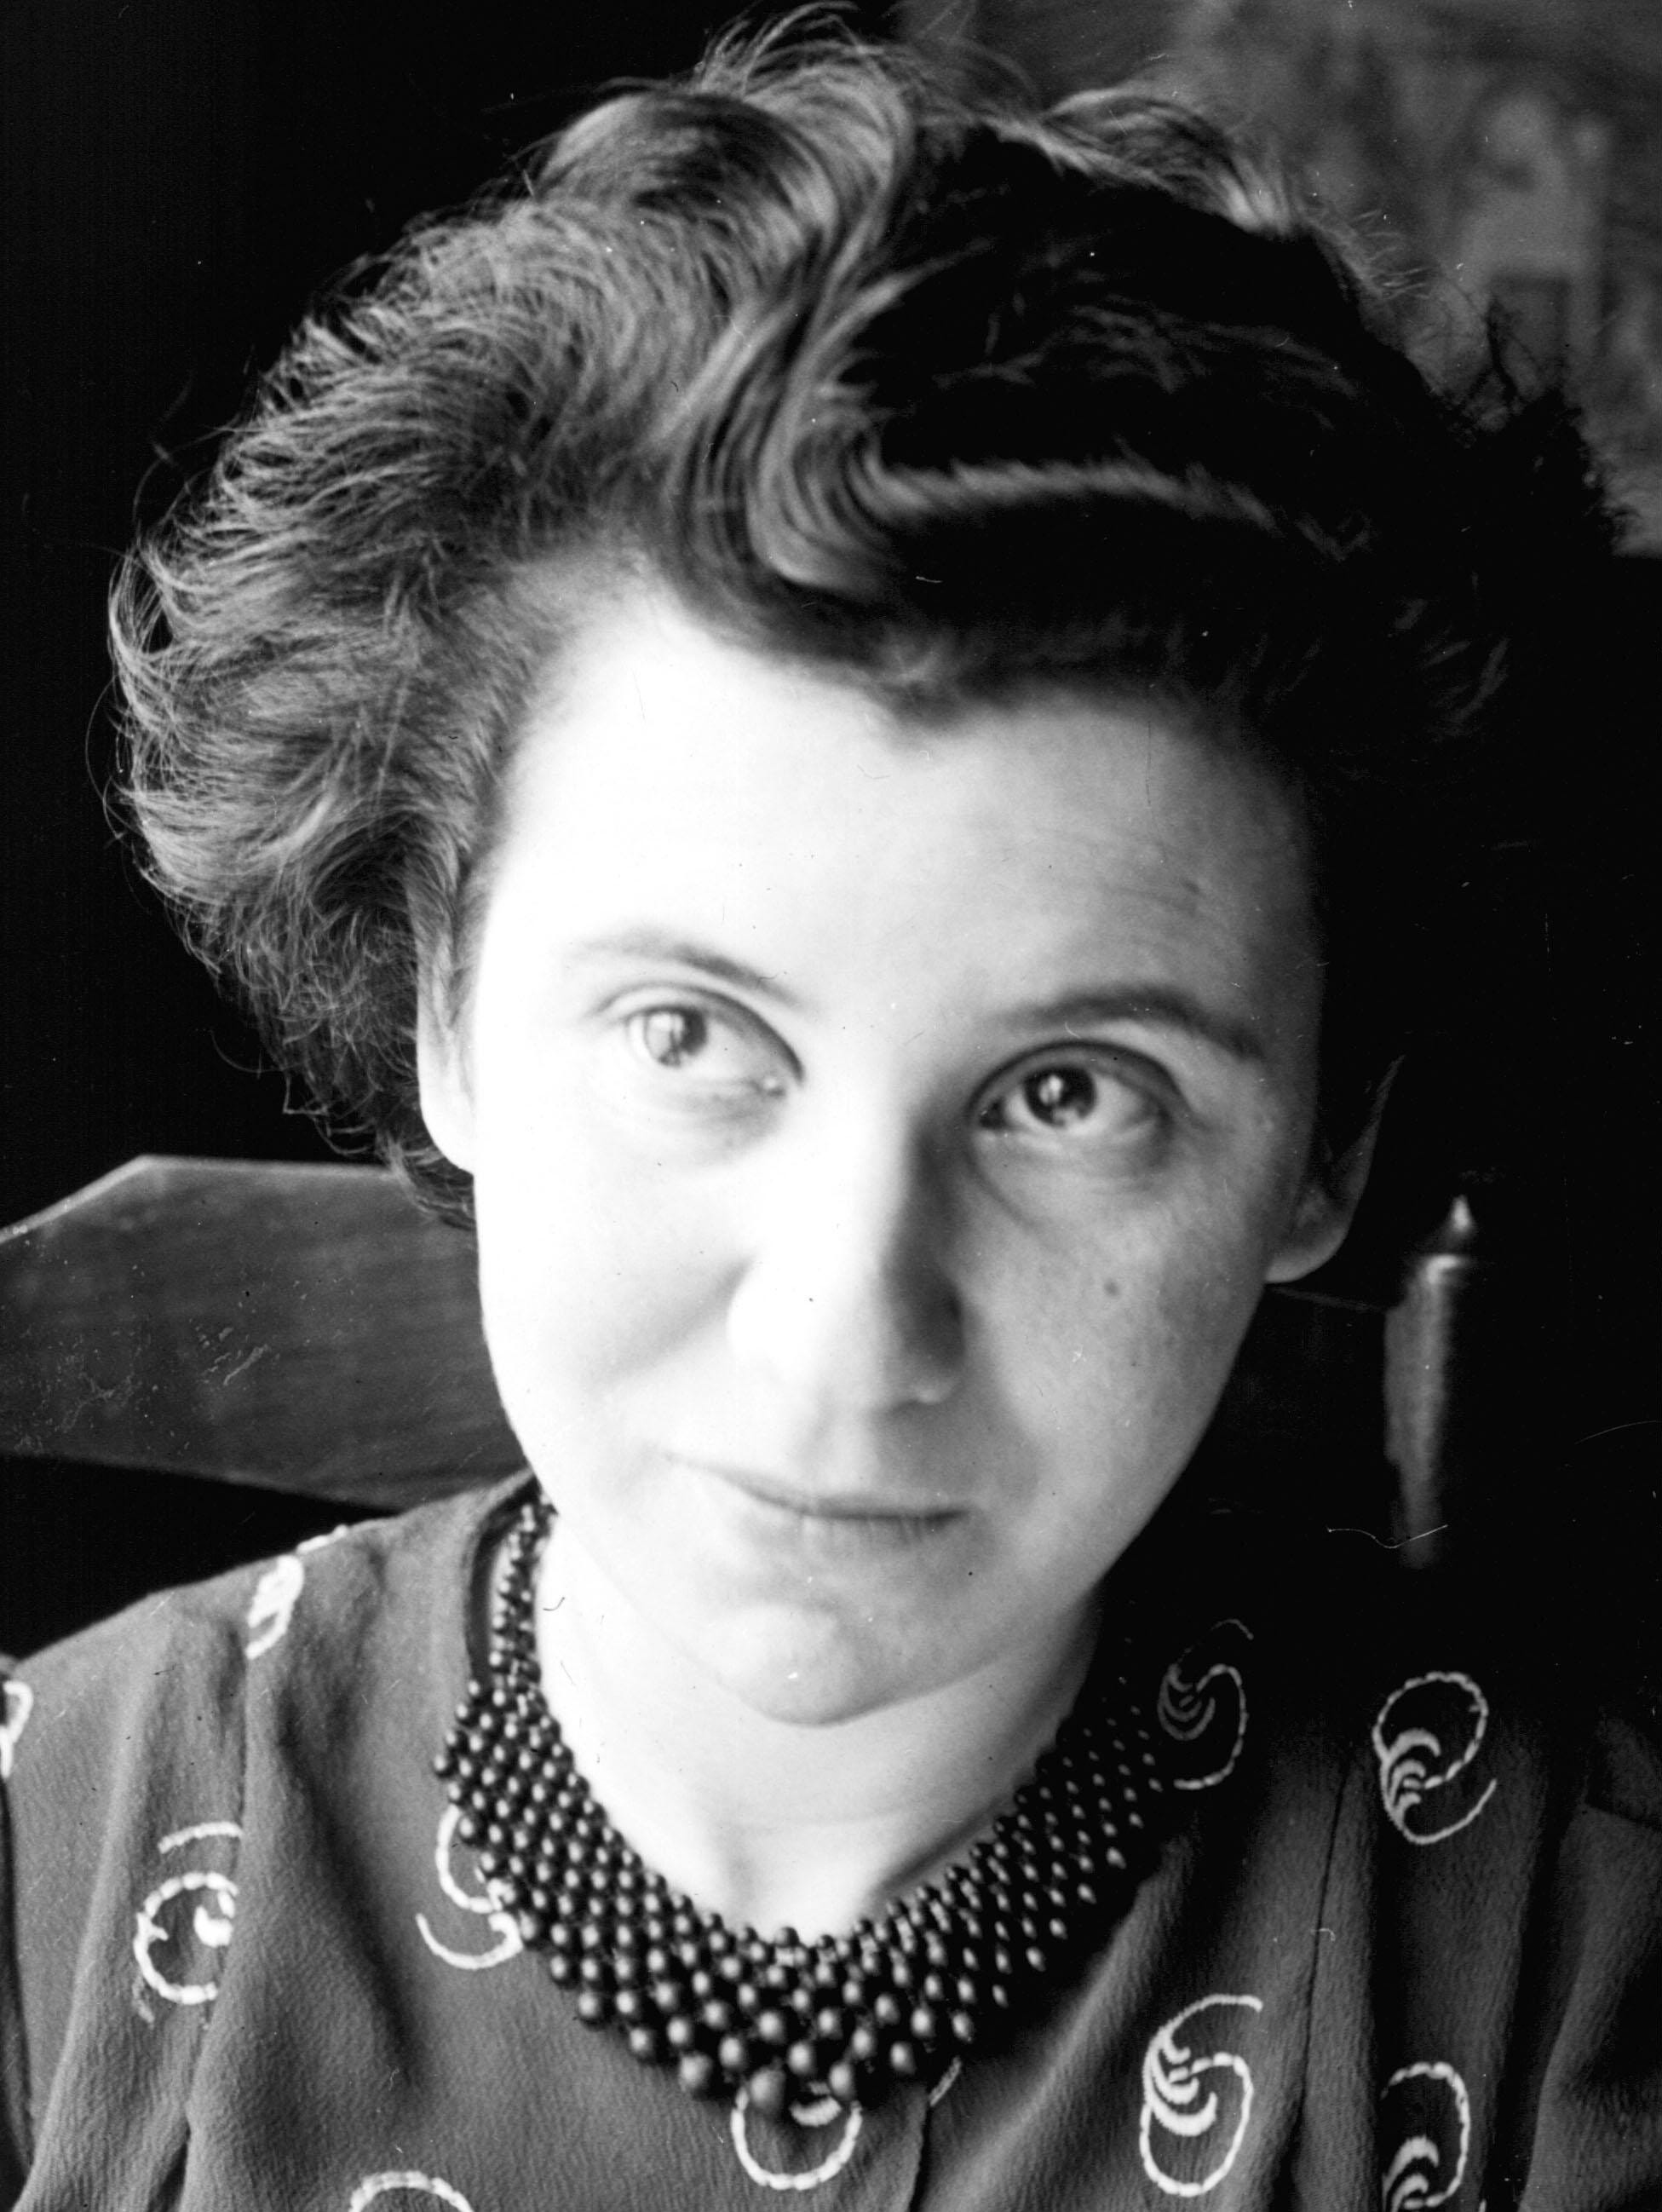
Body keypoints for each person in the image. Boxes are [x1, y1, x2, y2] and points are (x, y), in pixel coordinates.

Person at [2, 21, 1655, 2209]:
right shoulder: (41, 1870)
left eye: (1069, 1092)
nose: (848, 1333)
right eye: (691, 1034)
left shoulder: (1560, 1957)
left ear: (1326, 1145)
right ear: (445, 1013)